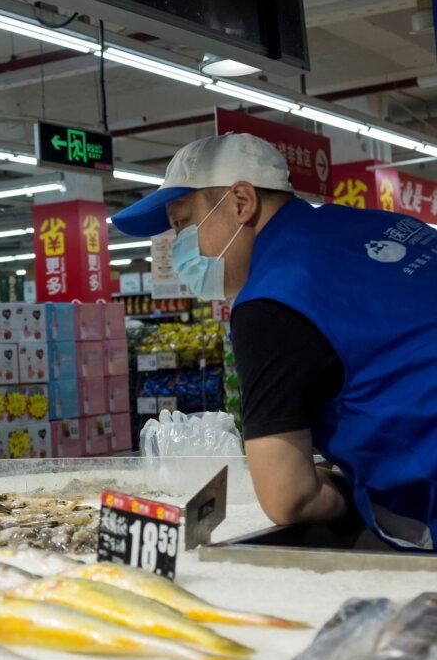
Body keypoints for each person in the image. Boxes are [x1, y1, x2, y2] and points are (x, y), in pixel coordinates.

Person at [111, 132, 437, 550]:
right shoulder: (389, 227)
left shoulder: (271, 299)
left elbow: (289, 498)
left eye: (182, 225)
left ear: (241, 202)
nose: (178, 249)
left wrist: (348, 492)